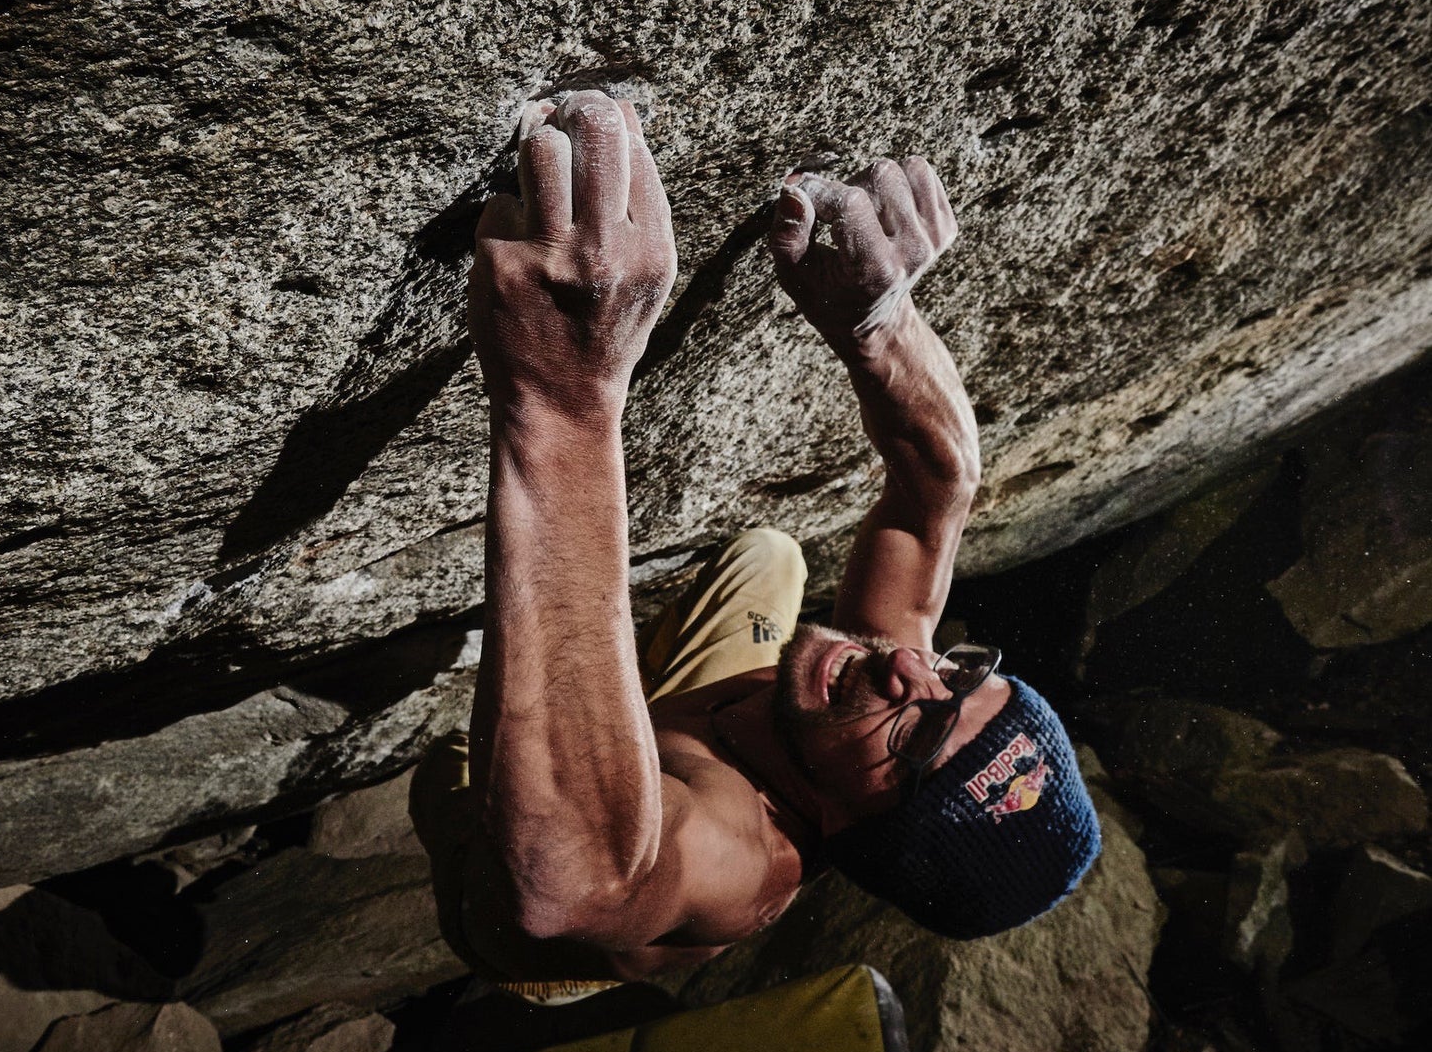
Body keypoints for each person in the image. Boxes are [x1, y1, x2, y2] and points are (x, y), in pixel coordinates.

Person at [411, 91, 1100, 1004]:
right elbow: (942, 481)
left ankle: (546, 738)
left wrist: (565, 396)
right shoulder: (887, 683)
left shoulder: (738, 858)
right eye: (962, 680)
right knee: (770, 557)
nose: (908, 670)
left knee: (444, 770)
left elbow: (567, 885)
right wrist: (881, 319)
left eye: (920, 732)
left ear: (848, 829)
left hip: (549, 878)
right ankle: (609, 691)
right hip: (686, 739)